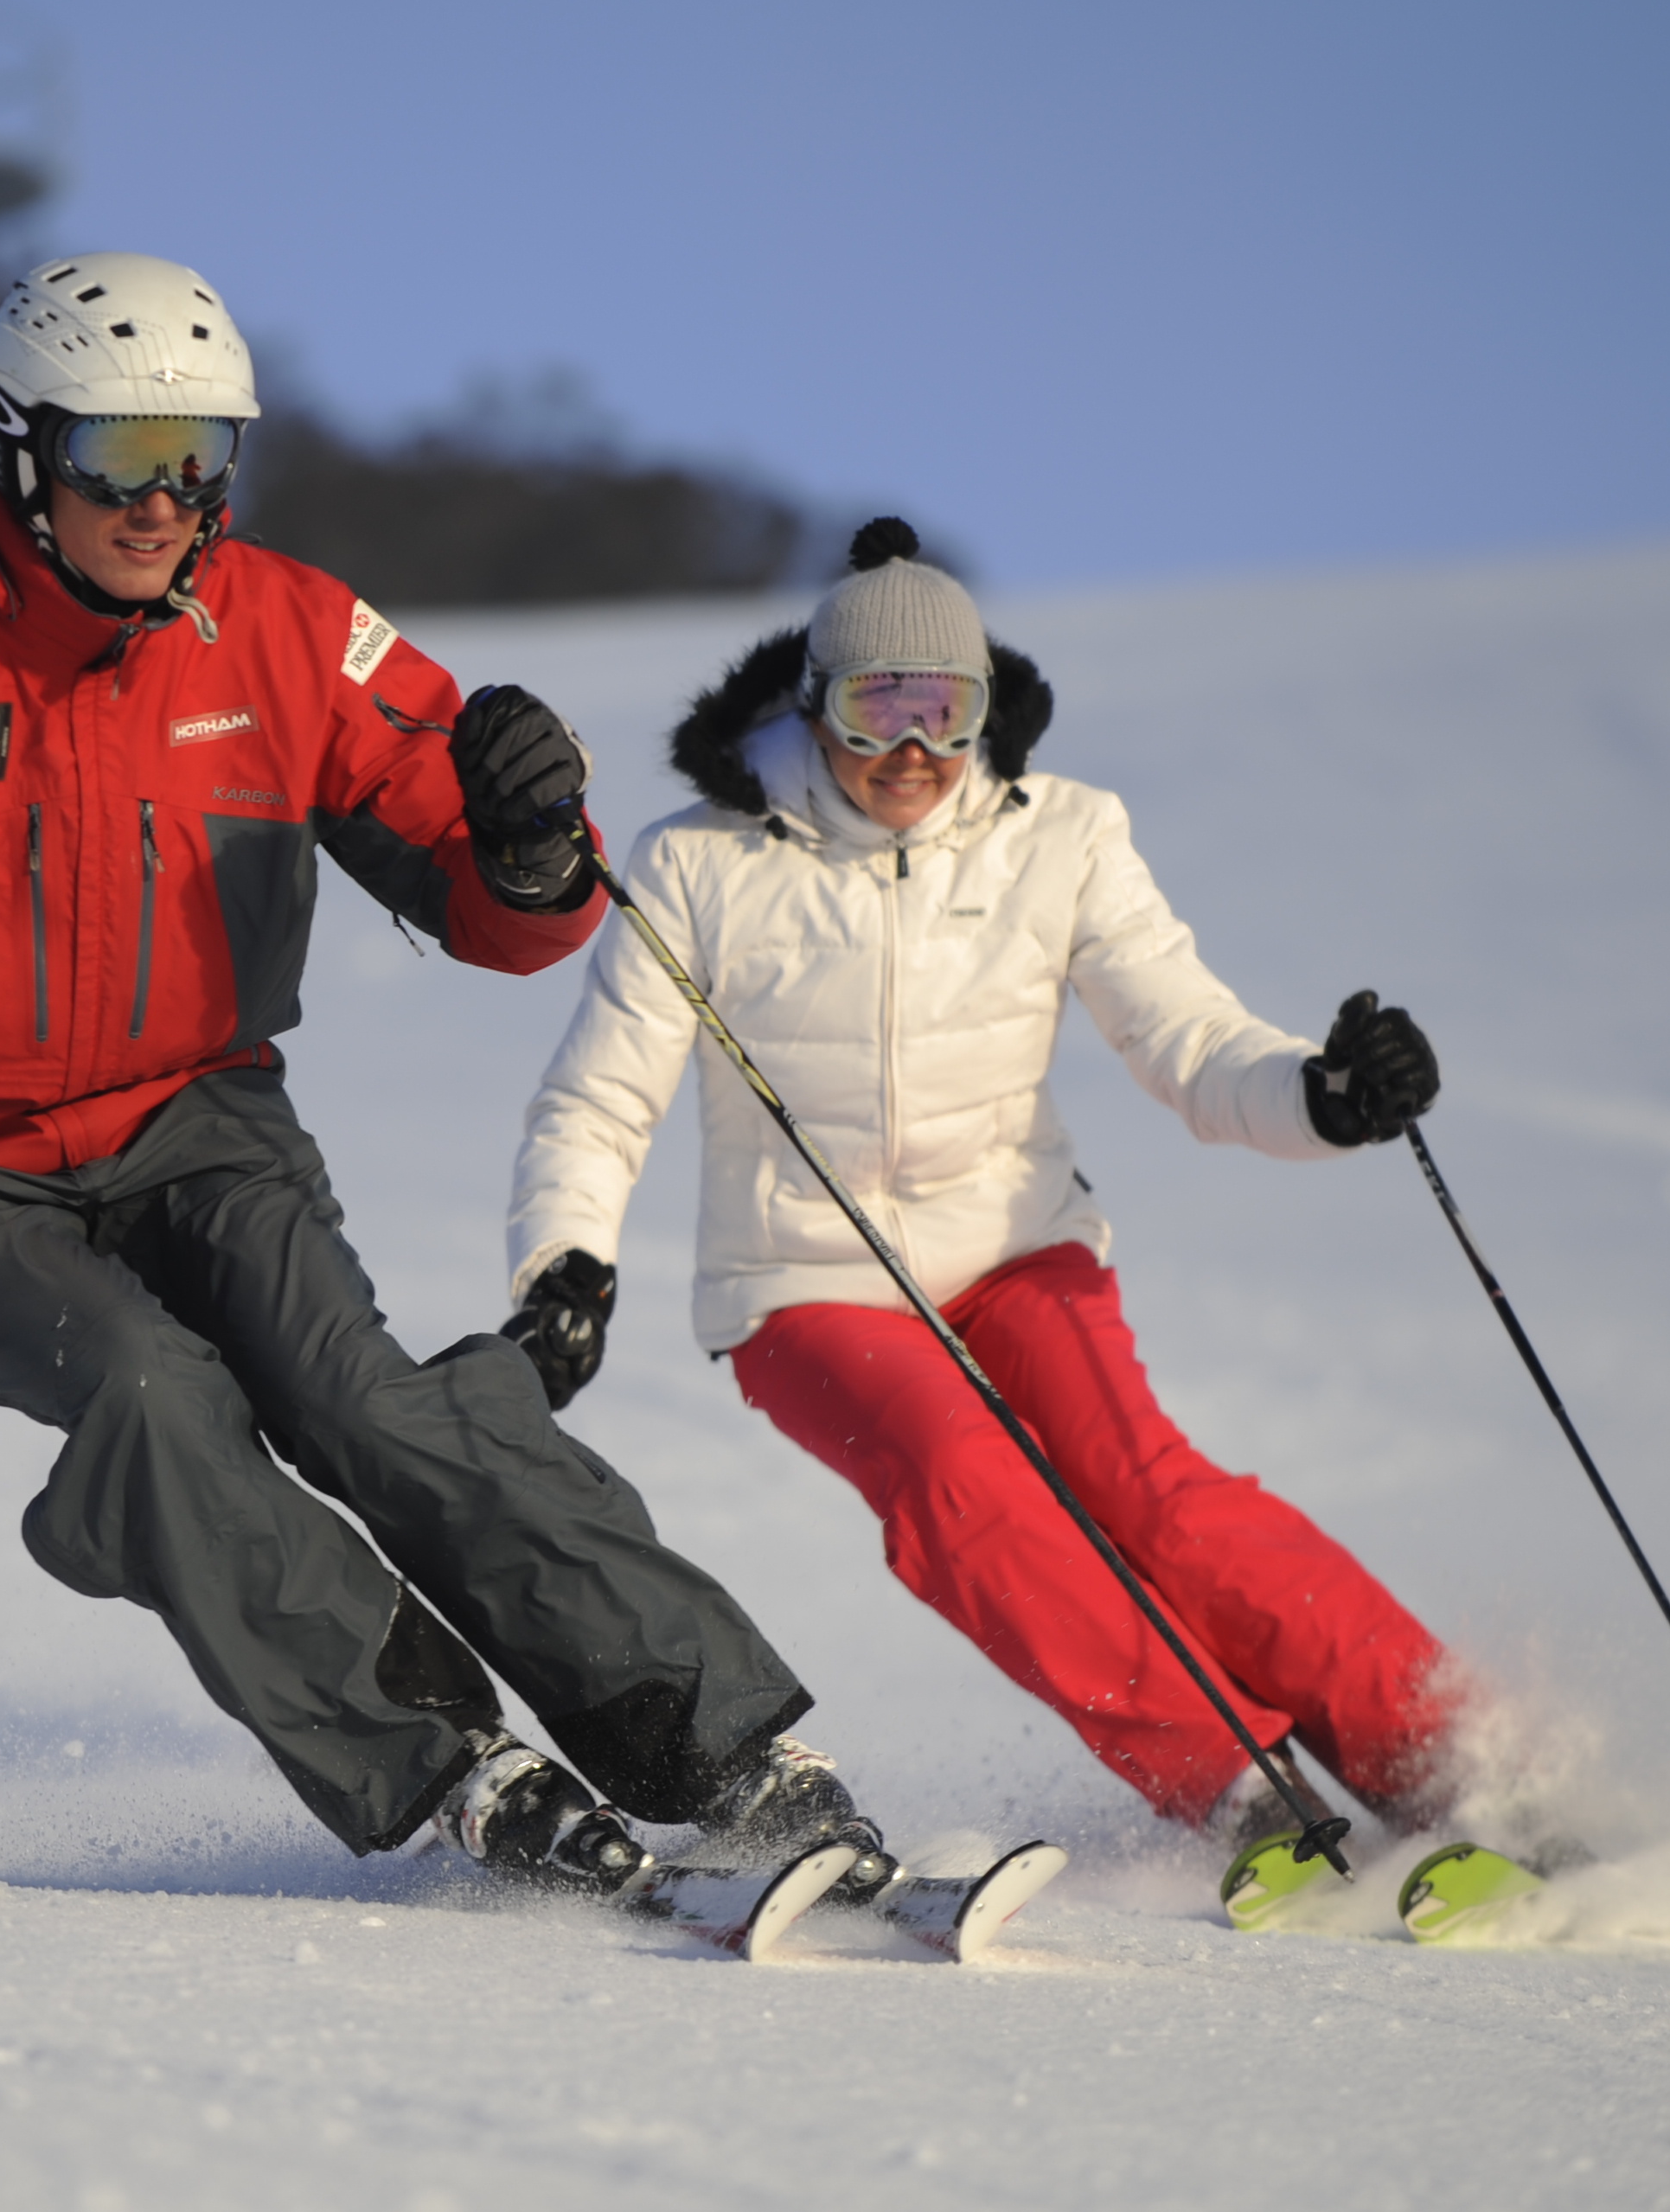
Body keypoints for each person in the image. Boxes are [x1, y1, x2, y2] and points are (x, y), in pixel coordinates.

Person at [0, 253, 873, 1896]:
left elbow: (491, 907)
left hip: (196, 1120)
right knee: (155, 1402)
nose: (165, 505)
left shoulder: (286, 638)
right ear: (19, 451)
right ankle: (448, 1765)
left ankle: (719, 1751)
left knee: (368, 1401)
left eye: (202, 457)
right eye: (117, 460)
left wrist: (524, 849)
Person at [502, 518, 1462, 1896]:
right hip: (805, 1280)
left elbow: (1190, 1042)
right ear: (810, 701)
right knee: (967, 1490)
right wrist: (568, 1266)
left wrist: (1324, 1097)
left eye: (943, 713)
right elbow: (598, 1102)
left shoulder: (1061, 837)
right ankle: (1239, 1790)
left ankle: (1447, 1757)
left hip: (1017, 1252)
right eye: (873, 708)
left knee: (1160, 1504)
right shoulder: (698, 863)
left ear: (985, 714)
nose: (910, 753)